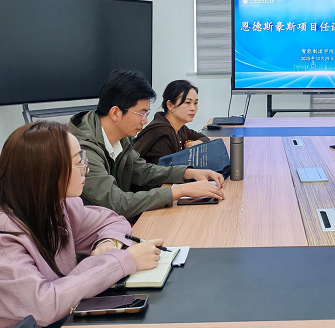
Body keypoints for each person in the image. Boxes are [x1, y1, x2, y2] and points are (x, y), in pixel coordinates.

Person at [0, 122, 165, 328]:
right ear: (48, 171)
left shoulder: (56, 205)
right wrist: (122, 261)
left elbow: (112, 220)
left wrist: (108, 243)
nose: (86, 167)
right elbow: (44, 306)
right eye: (79, 160)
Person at [68, 70, 224, 221]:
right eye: (141, 114)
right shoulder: (82, 151)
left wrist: (188, 173)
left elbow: (142, 170)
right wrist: (180, 190)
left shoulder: (119, 137)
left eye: (147, 114)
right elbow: (117, 204)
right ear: (115, 113)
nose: (145, 121)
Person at [134, 80, 211, 164]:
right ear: (170, 105)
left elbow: (204, 138)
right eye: (187, 102)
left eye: (195, 103)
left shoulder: (180, 128)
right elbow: (166, 171)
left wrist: (193, 144)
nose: (193, 108)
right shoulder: (163, 136)